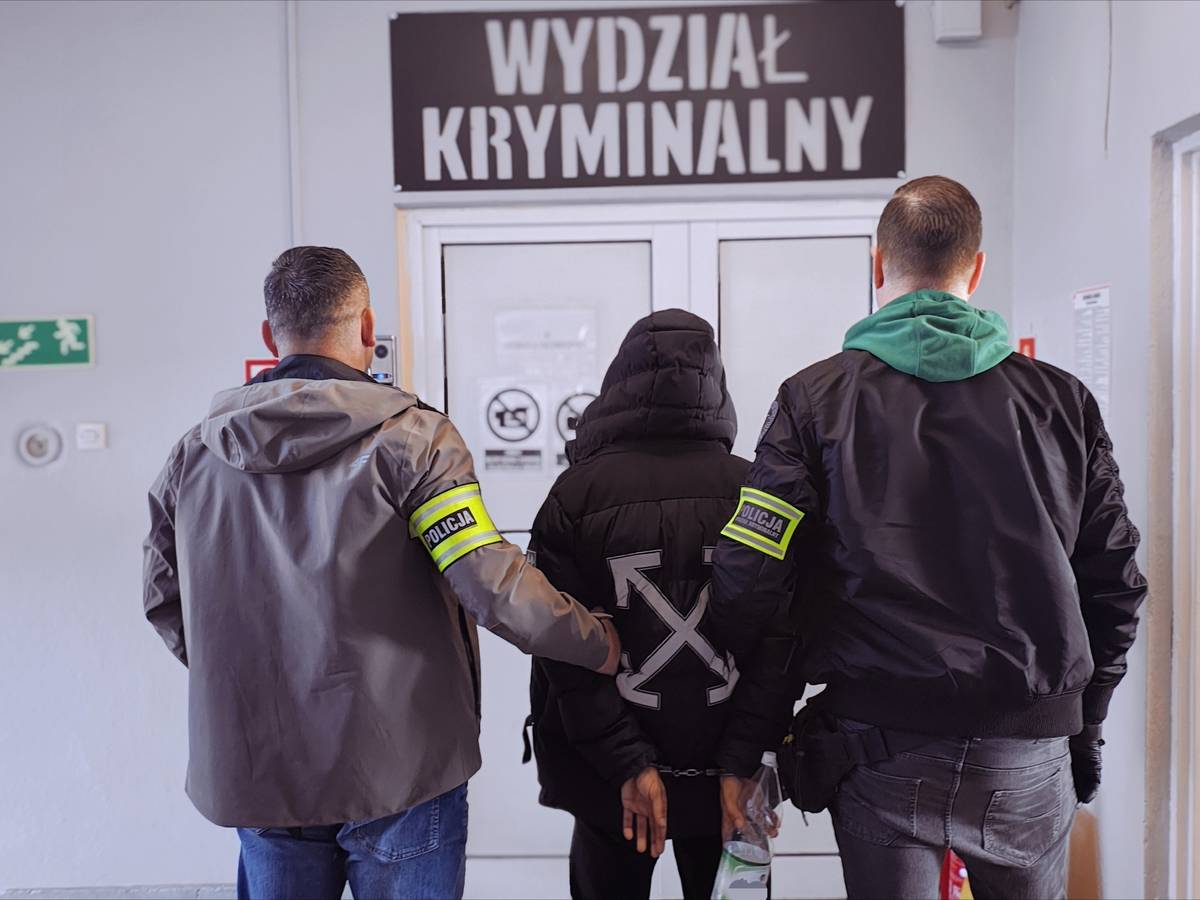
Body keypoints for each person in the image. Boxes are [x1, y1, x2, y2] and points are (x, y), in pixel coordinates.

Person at [710, 176, 1147, 900]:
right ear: (975, 270)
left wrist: (757, 718)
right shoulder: (1064, 402)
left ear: (879, 263)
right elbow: (1117, 585)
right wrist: (1084, 724)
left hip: (878, 746)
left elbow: (746, 580)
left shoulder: (811, 400)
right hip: (1027, 749)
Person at [141, 246, 620, 900]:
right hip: (402, 766)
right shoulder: (415, 442)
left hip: (259, 765)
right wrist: (597, 642)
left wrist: (255, 684)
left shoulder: (195, 454)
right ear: (367, 328)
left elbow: (164, 598)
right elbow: (488, 581)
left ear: (270, 338)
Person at [525, 309, 747, 900]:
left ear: (619, 381)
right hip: (727, 779)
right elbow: (779, 645)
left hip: (610, 780)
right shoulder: (754, 491)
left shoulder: (575, 496)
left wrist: (627, 763)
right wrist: (743, 758)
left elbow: (561, 649)